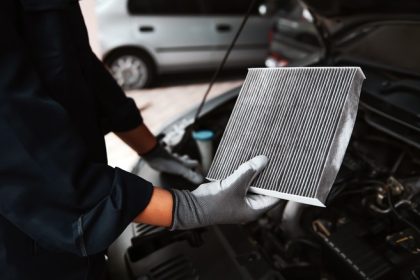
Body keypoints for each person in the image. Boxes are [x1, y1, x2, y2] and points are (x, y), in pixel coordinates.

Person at [0, 0, 279, 279]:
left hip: (81, 240)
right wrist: (188, 208)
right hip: (31, 249)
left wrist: (152, 149)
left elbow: (76, 67)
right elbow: (19, 150)